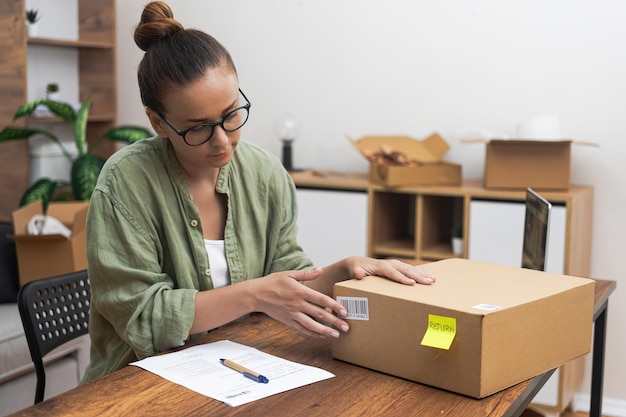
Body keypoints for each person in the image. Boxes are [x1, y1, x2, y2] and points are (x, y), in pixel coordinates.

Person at [81, 1, 435, 383]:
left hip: (241, 368)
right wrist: (251, 295)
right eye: (197, 128)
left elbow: (284, 279)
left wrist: (343, 271)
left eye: (232, 114)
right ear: (157, 122)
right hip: (139, 384)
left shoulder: (264, 173)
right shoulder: (125, 183)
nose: (222, 141)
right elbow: (145, 320)